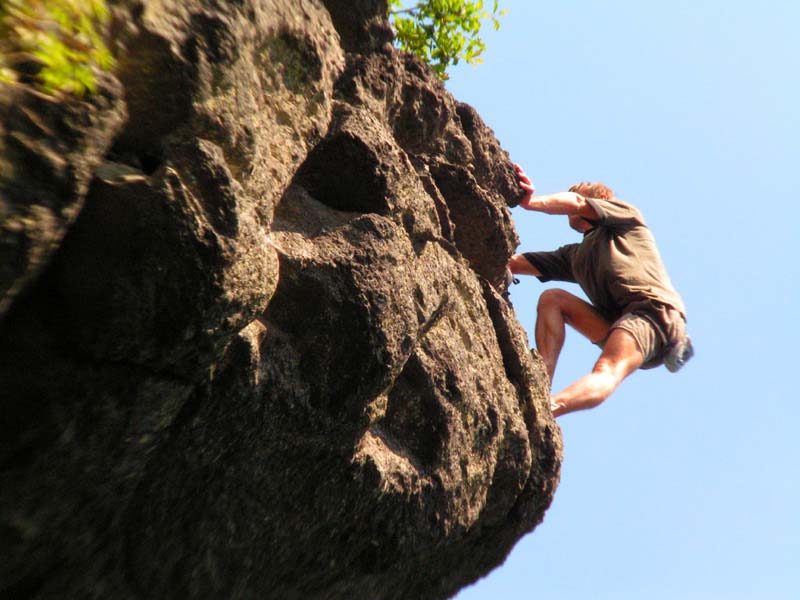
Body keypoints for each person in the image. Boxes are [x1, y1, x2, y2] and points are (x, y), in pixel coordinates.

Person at [508, 165, 692, 417]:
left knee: (607, 368)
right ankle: (539, 385)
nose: (572, 206)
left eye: (581, 199)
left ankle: (546, 409)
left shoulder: (626, 219)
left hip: (653, 311)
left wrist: (531, 203)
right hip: (619, 322)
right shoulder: (576, 256)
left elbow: (576, 201)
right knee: (552, 299)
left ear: (602, 202)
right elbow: (515, 263)